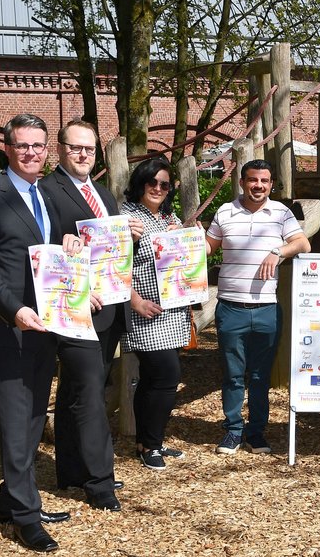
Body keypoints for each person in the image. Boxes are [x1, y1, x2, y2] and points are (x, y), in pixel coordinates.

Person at [0, 114, 77, 552]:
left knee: (32, 419)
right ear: (8, 149)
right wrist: (14, 310)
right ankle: (26, 519)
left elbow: (53, 249)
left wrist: (70, 247)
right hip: (9, 327)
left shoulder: (45, 195)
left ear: (47, 150)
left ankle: (12, 503)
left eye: (38, 145)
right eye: (23, 145)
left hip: (46, 324)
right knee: (15, 419)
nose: (31, 152)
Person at [41, 119, 140, 511]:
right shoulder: (47, 191)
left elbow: (110, 250)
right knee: (89, 392)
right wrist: (60, 244)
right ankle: (100, 482)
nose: (83, 154)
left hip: (109, 306)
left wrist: (128, 235)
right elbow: (41, 245)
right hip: (76, 307)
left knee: (74, 390)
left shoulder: (103, 193)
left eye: (89, 148)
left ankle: (70, 470)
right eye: (75, 147)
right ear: (60, 149)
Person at [206, 159, 311, 454]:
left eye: (264, 181)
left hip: (266, 309)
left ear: (271, 184)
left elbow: (303, 244)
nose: (259, 186)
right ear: (242, 182)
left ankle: (256, 432)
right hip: (230, 307)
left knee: (259, 376)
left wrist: (277, 251)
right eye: (253, 180)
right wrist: (182, 240)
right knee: (232, 374)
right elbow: (208, 247)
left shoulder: (281, 213)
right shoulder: (225, 212)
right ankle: (232, 431)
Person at [122, 157, 190, 471]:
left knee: (152, 380)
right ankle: (150, 445)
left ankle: (149, 441)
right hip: (145, 312)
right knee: (166, 376)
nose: (158, 188)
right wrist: (134, 300)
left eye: (164, 184)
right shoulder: (126, 217)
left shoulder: (167, 216)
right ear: (140, 183)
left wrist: (186, 236)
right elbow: (110, 264)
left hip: (171, 311)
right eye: (152, 182)